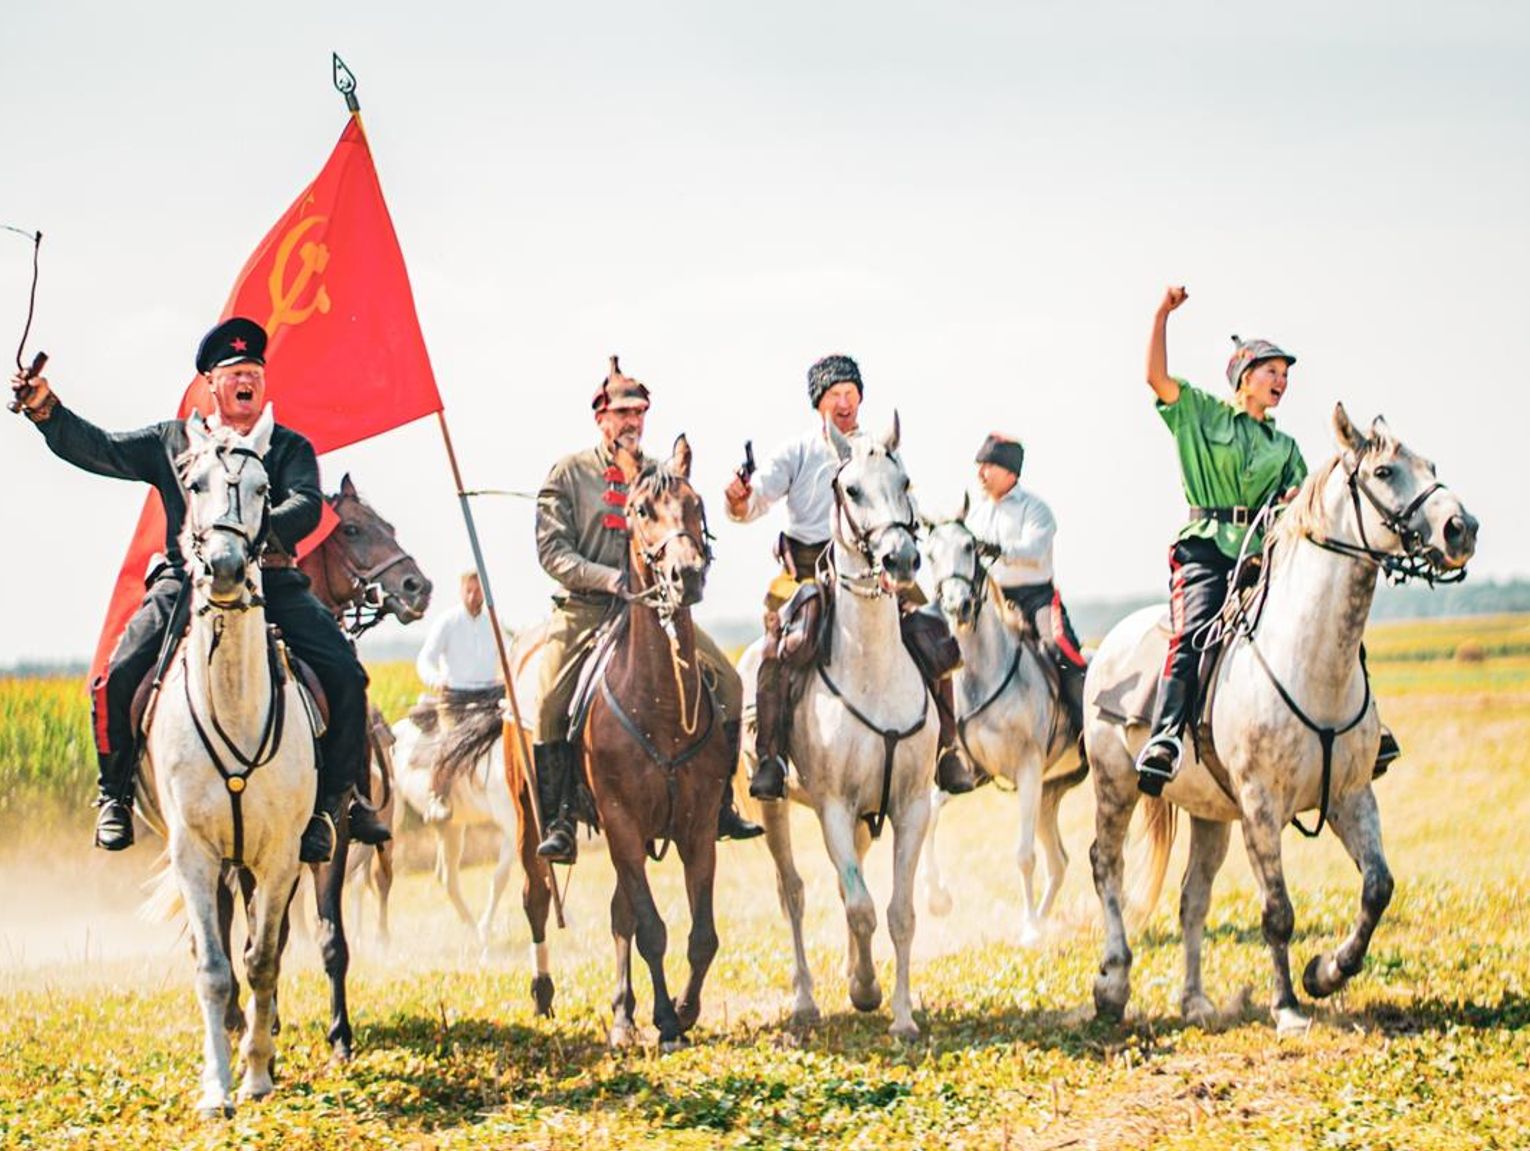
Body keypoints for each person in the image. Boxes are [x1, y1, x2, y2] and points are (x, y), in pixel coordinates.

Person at [9, 317, 392, 863]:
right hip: (185, 582)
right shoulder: (171, 442)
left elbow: (307, 505)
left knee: (346, 674)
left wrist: (244, 532)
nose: (247, 380)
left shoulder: (288, 447)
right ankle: (115, 794)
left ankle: (336, 804)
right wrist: (46, 411)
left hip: (271, 579)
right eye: (236, 371)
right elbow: (99, 447)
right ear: (211, 383)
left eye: (255, 372)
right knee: (117, 674)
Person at [1135, 286, 1399, 794]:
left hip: (1265, 556)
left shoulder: (1286, 446)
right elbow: (1155, 376)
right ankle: (1165, 737)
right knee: (1193, 633)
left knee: (1331, 626)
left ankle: (1370, 730)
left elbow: (1303, 510)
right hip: (1208, 549)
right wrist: (1161, 314)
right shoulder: (1199, 413)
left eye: (1285, 375)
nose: (1281, 381)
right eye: (1271, 371)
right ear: (1243, 377)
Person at [532, 356, 763, 861]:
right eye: (622, 413)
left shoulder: (661, 473)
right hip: (587, 609)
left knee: (728, 681)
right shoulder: (569, 473)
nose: (632, 422)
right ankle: (560, 818)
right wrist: (609, 578)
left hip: (657, 609)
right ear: (601, 419)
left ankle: (720, 803)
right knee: (549, 700)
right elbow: (553, 552)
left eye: (640, 413)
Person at [724, 353, 978, 801]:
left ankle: (946, 750)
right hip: (805, 574)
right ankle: (771, 758)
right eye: (835, 395)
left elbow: (903, 506)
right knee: (778, 649)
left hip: (872, 567)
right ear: (818, 403)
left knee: (931, 632)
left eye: (851, 394)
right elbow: (752, 505)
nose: (844, 403)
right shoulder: (797, 451)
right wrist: (739, 499)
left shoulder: (880, 451)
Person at [965, 433, 1088, 735]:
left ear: (1010, 471)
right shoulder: (975, 511)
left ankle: (1085, 729)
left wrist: (998, 549)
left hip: (1036, 600)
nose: (980, 473)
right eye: (979, 465)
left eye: (988, 466)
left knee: (1059, 649)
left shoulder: (1036, 509)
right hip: (990, 601)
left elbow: (1033, 551)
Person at [413, 569, 502, 821]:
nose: (474, 596)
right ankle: (437, 796)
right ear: (461, 590)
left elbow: (508, 653)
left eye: (478, 590)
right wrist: (436, 679)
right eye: (469, 590)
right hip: (455, 699)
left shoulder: (492, 622)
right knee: (450, 743)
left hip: (489, 697)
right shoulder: (448, 621)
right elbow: (425, 660)